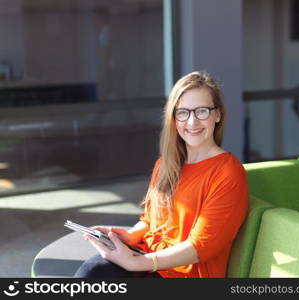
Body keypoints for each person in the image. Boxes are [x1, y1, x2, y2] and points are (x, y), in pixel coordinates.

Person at [74, 71, 249, 278]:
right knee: (92, 271)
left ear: (217, 114)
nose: (192, 122)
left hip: (184, 275)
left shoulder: (228, 172)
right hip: (148, 258)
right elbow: (151, 220)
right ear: (173, 119)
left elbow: (200, 247)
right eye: (183, 112)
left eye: (202, 111)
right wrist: (130, 236)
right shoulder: (165, 164)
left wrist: (135, 263)